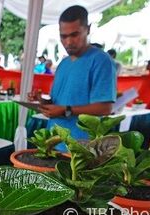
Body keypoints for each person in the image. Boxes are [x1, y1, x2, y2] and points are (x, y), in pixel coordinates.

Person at [38, 5, 116, 144]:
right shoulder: (63, 63)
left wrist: (65, 110)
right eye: (63, 36)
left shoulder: (101, 60)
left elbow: (105, 108)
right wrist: (43, 102)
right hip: (53, 141)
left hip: (81, 147)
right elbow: (60, 102)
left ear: (88, 29)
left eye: (75, 34)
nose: (68, 42)